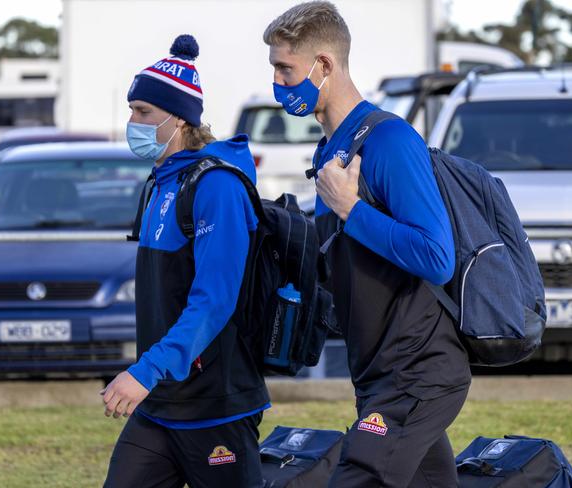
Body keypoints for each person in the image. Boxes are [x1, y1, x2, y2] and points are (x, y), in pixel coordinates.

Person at [264, 3, 472, 486]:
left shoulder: (389, 140)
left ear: (325, 65)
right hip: (377, 371)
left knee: (358, 476)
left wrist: (351, 210)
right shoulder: (329, 147)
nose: (277, 82)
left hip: (416, 370)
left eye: (285, 68)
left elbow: (436, 257)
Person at [102, 34, 268, 488]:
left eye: (143, 112)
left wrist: (146, 370)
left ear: (179, 119)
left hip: (215, 404)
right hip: (161, 402)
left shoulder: (216, 187)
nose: (131, 121)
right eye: (131, 109)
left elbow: (213, 300)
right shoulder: (159, 183)